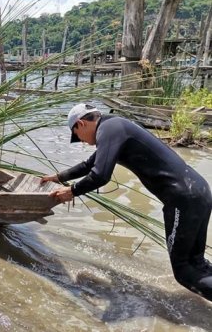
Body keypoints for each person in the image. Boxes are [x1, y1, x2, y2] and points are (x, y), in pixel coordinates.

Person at [41, 103, 212, 301]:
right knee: (197, 263)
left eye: (77, 136)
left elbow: (100, 175)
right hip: (199, 190)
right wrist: (58, 177)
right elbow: (90, 165)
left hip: (183, 199)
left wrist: (72, 191)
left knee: (183, 271)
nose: (82, 142)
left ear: (80, 124)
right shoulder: (116, 127)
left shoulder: (109, 129)